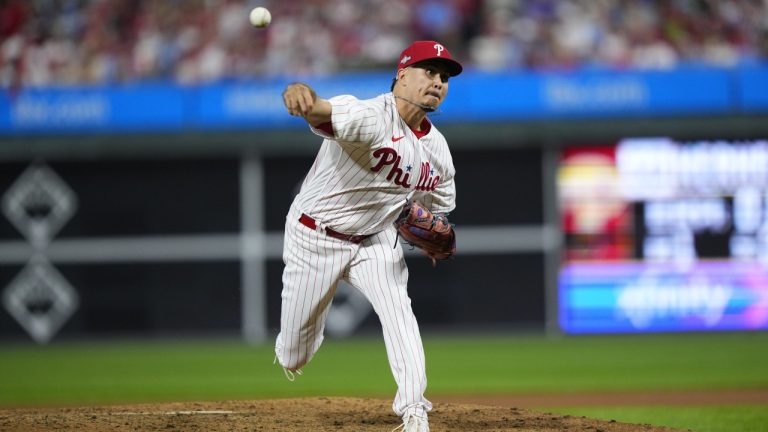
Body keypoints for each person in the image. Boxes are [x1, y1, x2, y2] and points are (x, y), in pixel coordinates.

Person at [275, 40, 462, 432]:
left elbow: (437, 208)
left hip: (376, 239)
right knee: (293, 355)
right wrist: (302, 96)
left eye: (444, 77)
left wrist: (429, 228)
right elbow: (324, 111)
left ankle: (415, 413)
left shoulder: (439, 152)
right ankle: (303, 336)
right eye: (429, 72)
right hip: (315, 237)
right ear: (402, 76)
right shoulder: (371, 116)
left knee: (400, 312)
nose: (438, 82)